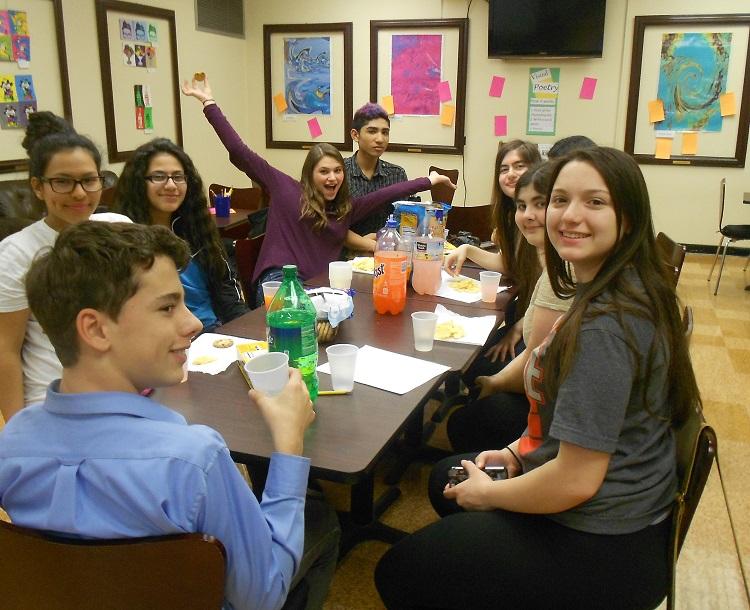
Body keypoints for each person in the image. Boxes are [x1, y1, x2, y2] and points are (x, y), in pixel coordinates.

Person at [375, 147, 700, 609]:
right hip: (613, 506)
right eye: (561, 199)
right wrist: (513, 454)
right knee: (445, 480)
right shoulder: (614, 284)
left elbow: (576, 480)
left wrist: (494, 494)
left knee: (400, 572)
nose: (570, 215)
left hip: (606, 545)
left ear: (628, 216)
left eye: (594, 202)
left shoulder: (606, 327)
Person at [0, 221, 340, 610]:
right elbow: (261, 598)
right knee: (321, 522)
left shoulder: (11, 443)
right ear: (95, 329)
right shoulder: (194, 460)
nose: (193, 323)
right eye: (167, 307)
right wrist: (289, 446)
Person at [180, 75, 454, 306]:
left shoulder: (345, 208)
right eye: (324, 172)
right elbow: (240, 152)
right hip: (280, 282)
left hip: (322, 286)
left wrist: (430, 180)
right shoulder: (286, 189)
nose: (332, 178)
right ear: (310, 176)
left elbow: (388, 193)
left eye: (337, 171)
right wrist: (208, 103)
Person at [0, 111, 130, 421]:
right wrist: (19, 432)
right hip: (54, 401)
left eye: (88, 180)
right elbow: (6, 350)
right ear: (37, 187)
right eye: (62, 182)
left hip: (125, 387)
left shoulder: (119, 230)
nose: (79, 193)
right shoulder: (15, 253)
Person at [444, 163, 571, 456]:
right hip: (545, 389)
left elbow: (538, 360)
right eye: (522, 205)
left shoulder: (563, 269)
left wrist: (498, 383)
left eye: (540, 204)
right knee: (476, 358)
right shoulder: (550, 255)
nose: (527, 215)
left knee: (462, 422)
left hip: (554, 410)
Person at [114, 138, 248, 333]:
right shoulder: (124, 235)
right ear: (138, 182)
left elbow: (228, 296)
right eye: (158, 176)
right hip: (161, 342)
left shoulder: (197, 229)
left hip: (214, 337)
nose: (171, 185)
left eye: (178, 177)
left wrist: (250, 333)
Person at [444, 140, 542, 384]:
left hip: (539, 327)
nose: (511, 174)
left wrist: (517, 330)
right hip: (528, 315)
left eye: (519, 166)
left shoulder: (542, 217)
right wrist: (467, 249)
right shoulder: (512, 214)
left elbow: (552, 294)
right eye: (504, 169)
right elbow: (510, 265)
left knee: (475, 365)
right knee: (469, 358)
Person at [344, 102, 409, 253]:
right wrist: (365, 244)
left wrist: (383, 239)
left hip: (389, 255)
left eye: (385, 132)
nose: (380, 139)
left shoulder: (397, 174)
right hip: (345, 257)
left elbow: (405, 222)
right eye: (372, 131)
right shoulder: (340, 173)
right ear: (355, 135)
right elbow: (332, 225)